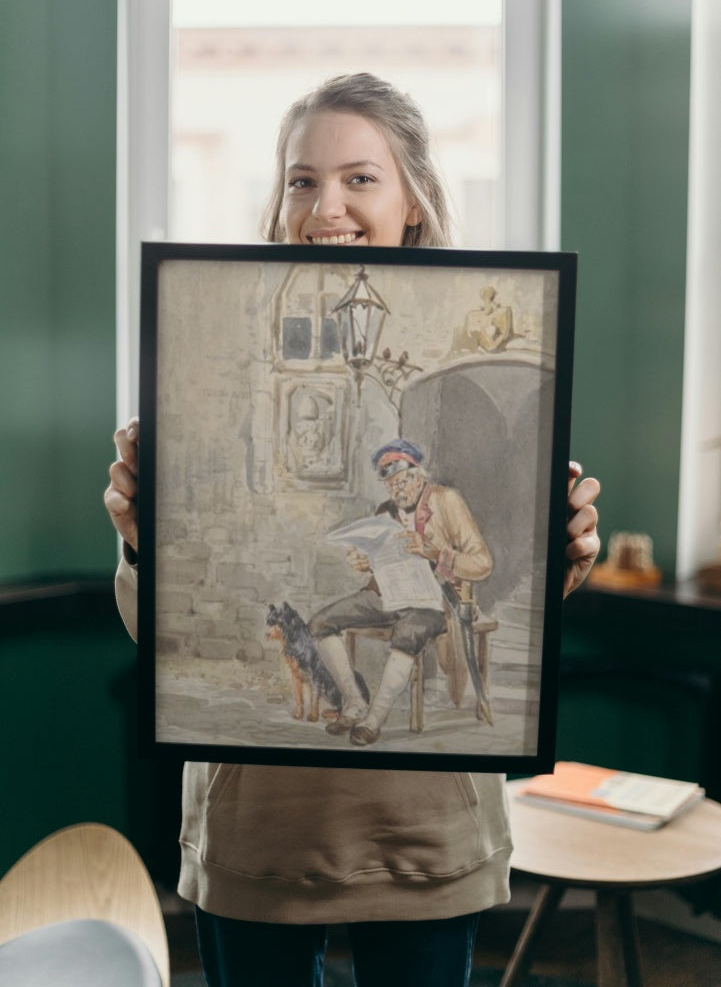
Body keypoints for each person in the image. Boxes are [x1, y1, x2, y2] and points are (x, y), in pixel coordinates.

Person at [105, 73, 601, 987]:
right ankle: (345, 705)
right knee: (322, 620)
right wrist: (143, 543)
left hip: (423, 831)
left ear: (412, 200)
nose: (324, 204)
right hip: (257, 831)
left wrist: (559, 550)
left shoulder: (458, 436)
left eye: (359, 178)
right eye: (301, 179)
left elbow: (493, 569)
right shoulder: (204, 337)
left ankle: (373, 712)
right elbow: (156, 638)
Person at [310, 437, 492, 746]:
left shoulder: (447, 501)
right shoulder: (386, 511)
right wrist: (365, 562)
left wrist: (434, 552)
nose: (399, 491)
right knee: (320, 622)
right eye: (392, 486)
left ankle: (374, 719)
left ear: (420, 475)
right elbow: (383, 560)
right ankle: (354, 703)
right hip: (387, 595)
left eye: (404, 481)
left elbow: (482, 564)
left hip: (434, 601)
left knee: (407, 634)